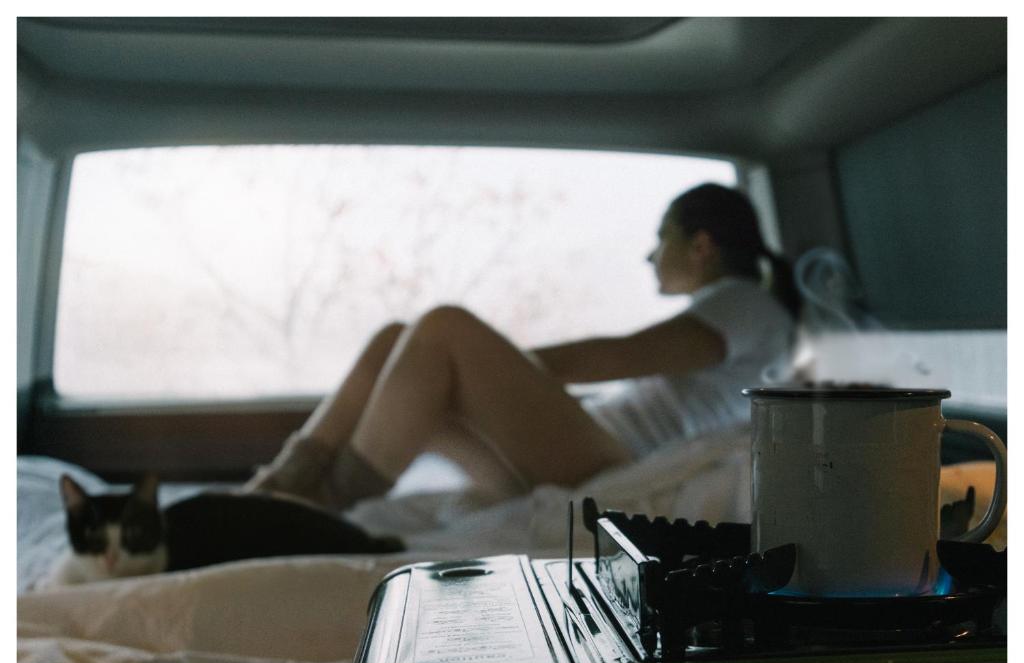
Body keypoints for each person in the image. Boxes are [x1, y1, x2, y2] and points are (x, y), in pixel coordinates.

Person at [244, 183, 800, 510]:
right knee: (401, 347)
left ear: (701, 246)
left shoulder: (746, 303)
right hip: (591, 451)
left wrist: (500, 373)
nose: (650, 255)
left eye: (661, 237)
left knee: (443, 329)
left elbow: (613, 357)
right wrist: (494, 380)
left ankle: (311, 506)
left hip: (615, 464)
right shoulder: (742, 309)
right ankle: (283, 492)